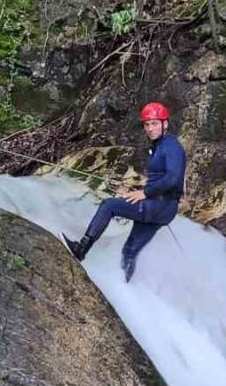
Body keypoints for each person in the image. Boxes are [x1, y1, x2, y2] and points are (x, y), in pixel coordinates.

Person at [63, 101, 186, 282]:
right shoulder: (160, 145)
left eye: (154, 123)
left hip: (158, 205)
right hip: (163, 207)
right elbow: (166, 178)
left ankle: (81, 250)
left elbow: (173, 177)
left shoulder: (171, 145)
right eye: (147, 124)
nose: (150, 128)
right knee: (130, 251)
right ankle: (126, 285)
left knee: (109, 206)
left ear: (165, 123)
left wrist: (145, 193)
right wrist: (140, 191)